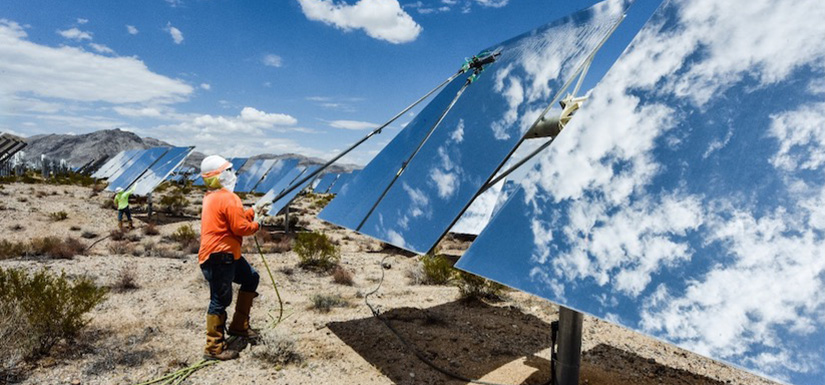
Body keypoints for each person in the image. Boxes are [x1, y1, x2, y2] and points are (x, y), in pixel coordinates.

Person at [198, 155, 261, 361]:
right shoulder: (228, 197)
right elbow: (241, 228)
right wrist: (257, 224)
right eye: (229, 171)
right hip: (220, 256)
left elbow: (234, 217)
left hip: (223, 255)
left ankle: (239, 326)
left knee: (251, 277)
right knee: (220, 299)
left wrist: (252, 212)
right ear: (221, 175)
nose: (233, 174)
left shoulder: (212, 196)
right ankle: (214, 347)